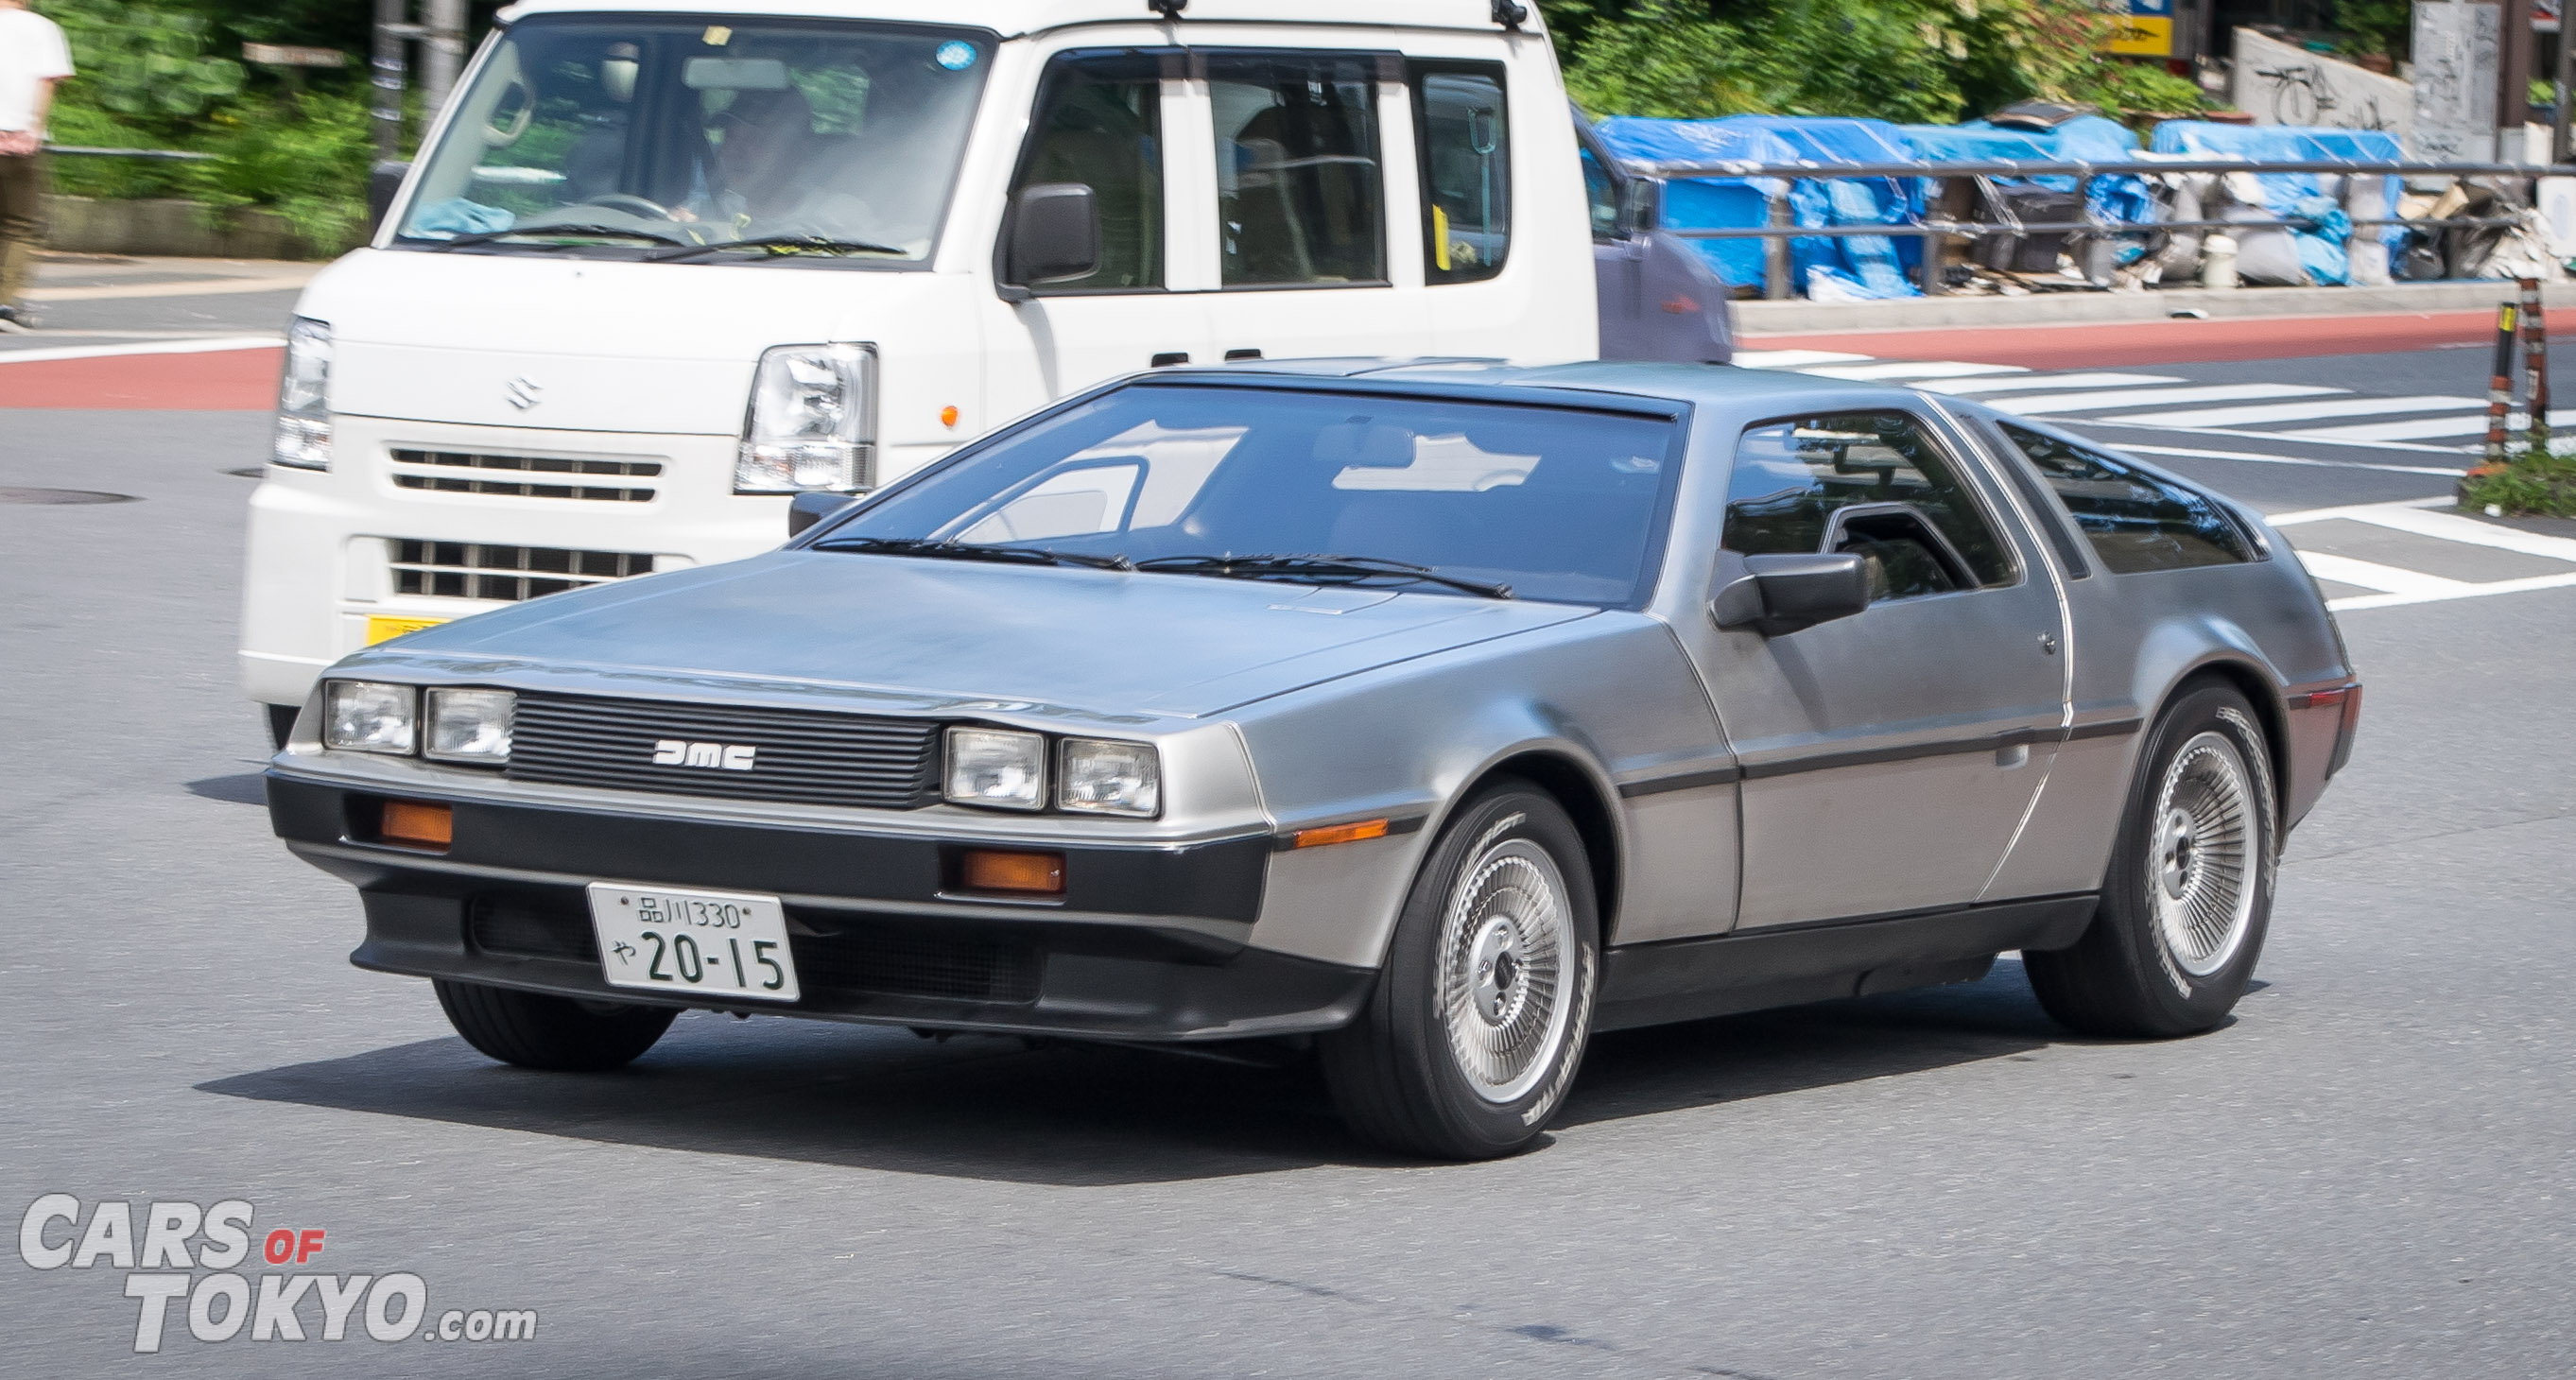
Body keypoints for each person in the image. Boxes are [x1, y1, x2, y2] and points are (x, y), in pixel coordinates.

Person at [0, 0, 74, 333]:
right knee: (19, 224)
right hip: (18, 140)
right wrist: (34, 128)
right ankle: (4, 302)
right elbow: (47, 82)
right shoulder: (42, 28)